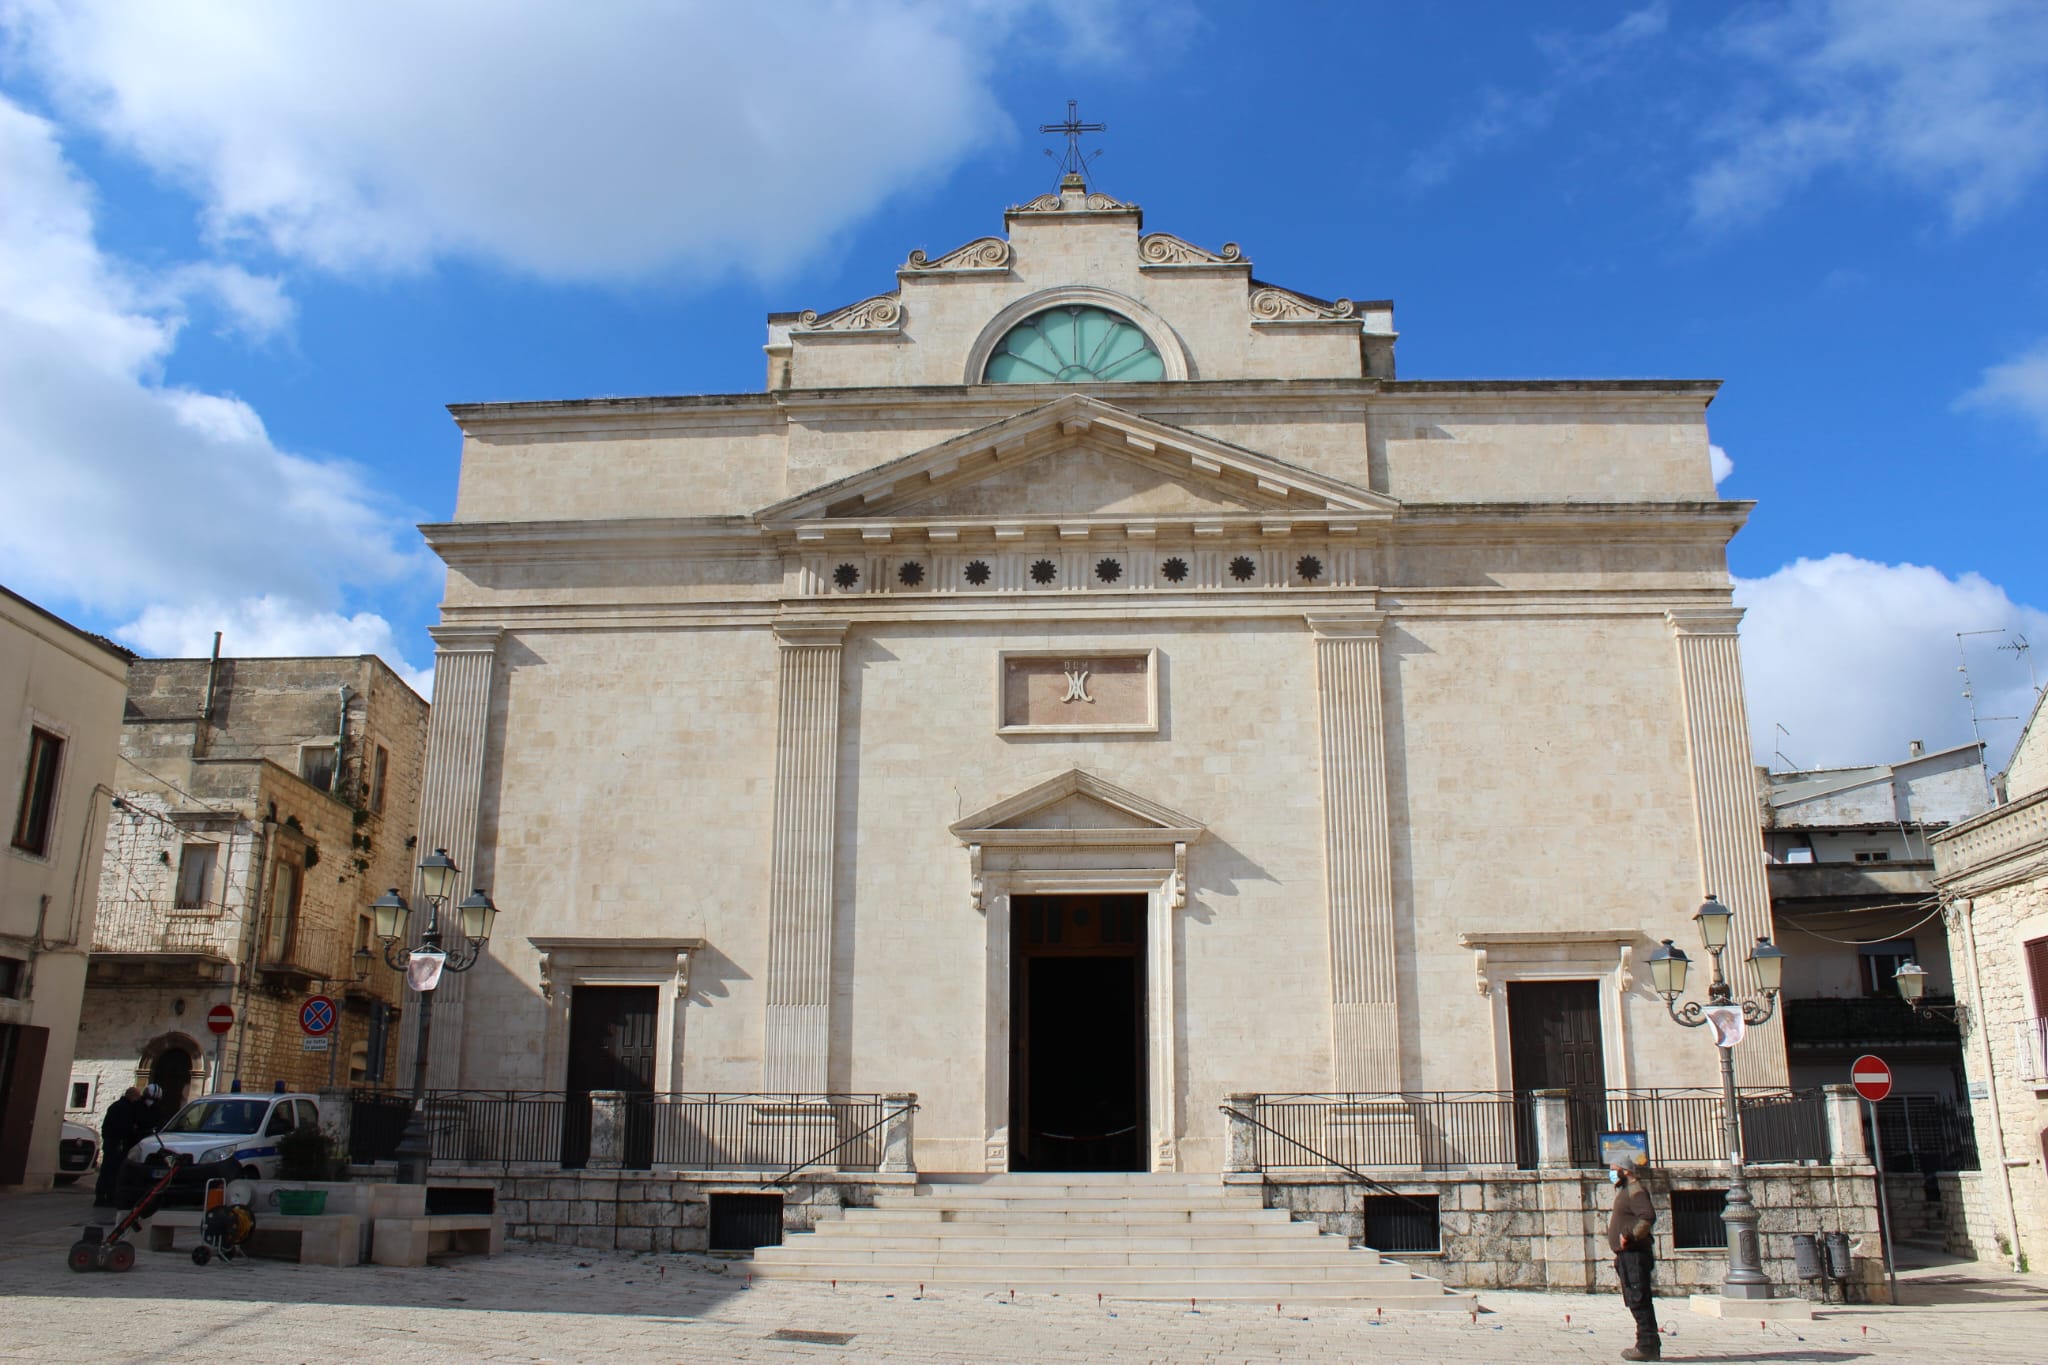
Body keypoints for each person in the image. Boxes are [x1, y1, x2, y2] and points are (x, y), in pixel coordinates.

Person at [1607, 1159, 1660, 1362]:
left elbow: (1647, 1216)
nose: (1611, 1174)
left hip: (1634, 1255)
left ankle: (1646, 1346)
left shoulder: (1635, 1190)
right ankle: (1648, 1344)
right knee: (1636, 1299)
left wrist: (1630, 1236)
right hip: (1628, 1256)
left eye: (1614, 1170)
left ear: (1625, 1171)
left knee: (1639, 1300)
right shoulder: (1627, 1190)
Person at [93, 1087, 144, 1208]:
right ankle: (110, 1196)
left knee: (106, 1169)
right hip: (118, 1143)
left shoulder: (115, 1106)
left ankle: (100, 1196)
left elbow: (106, 1126)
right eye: (137, 1097)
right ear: (132, 1096)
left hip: (110, 1142)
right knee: (115, 1171)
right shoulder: (127, 1109)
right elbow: (126, 1128)